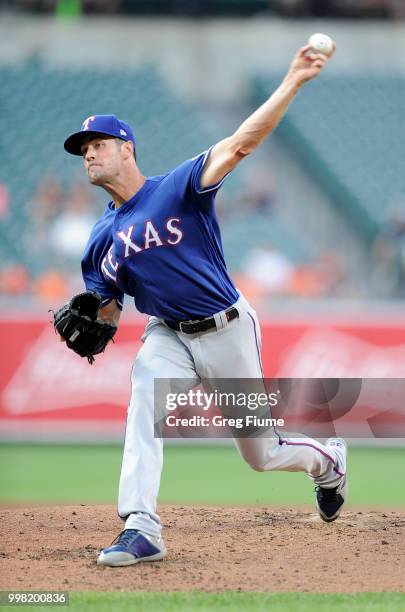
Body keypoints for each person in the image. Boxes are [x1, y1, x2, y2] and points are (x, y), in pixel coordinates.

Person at [61, 42, 347, 567]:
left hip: (227, 329)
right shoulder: (100, 238)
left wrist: (292, 81)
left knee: (262, 455)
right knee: (144, 399)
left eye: (98, 144)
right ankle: (141, 527)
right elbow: (106, 305)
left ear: (127, 148)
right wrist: (100, 317)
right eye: (83, 151)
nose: (89, 155)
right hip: (166, 334)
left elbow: (241, 144)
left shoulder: (179, 187)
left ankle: (328, 461)